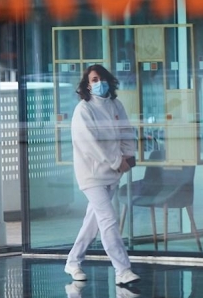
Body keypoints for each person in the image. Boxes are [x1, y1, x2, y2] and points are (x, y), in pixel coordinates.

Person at [65, 64, 140, 286]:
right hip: (91, 175)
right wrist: (117, 161)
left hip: (112, 173)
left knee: (93, 221)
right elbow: (91, 144)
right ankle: (122, 270)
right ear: (87, 84)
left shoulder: (116, 105)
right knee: (108, 219)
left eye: (102, 78)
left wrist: (129, 156)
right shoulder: (84, 110)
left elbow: (126, 131)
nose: (99, 83)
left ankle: (72, 261)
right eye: (94, 79)